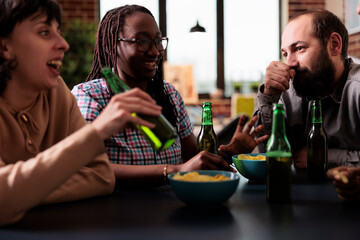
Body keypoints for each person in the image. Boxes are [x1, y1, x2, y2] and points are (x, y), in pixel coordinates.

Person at [0, 0, 164, 226]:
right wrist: (96, 132)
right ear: (4, 46)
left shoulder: (57, 92)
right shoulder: (82, 93)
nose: (63, 44)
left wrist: (22, 194)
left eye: (59, 31)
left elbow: (101, 176)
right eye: (45, 32)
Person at [72, 4, 268, 188]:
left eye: (158, 41)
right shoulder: (90, 95)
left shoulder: (169, 94)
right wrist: (173, 171)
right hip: (119, 214)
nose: (154, 51)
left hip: (174, 208)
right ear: (113, 45)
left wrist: (230, 152)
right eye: (141, 41)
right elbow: (88, 168)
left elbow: (194, 159)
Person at [253, 9, 360, 169]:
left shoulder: (357, 88)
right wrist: (268, 96)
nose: (290, 63)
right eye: (285, 53)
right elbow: (267, 153)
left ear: (334, 45)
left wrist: (321, 157)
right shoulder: (288, 91)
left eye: (299, 48)